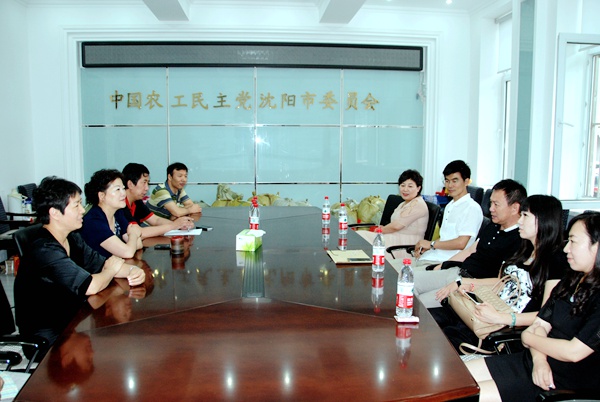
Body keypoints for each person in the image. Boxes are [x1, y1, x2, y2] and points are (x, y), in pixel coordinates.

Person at [466, 211, 600, 400]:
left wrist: (528, 338)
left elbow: (573, 352)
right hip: (534, 362)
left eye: (573, 241)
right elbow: (539, 324)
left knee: (467, 395)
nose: (566, 249)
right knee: (456, 379)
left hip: (559, 381)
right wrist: (539, 360)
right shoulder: (571, 280)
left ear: (597, 247)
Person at [14, 176, 145, 354]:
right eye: (76, 205)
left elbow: (102, 263)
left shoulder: (72, 238)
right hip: (48, 334)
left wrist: (133, 270)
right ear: (55, 213)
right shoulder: (44, 249)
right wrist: (111, 270)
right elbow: (90, 286)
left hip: (72, 318)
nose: (82, 210)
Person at [431, 195, 568, 353]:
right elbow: (502, 282)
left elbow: (547, 315)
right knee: (427, 321)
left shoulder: (556, 260)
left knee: (435, 342)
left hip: (501, 328)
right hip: (487, 313)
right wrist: (466, 284)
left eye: (525, 216)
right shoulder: (525, 250)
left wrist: (500, 318)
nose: (520, 221)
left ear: (543, 220)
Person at [414, 179, 527, 307]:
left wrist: (461, 283)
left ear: (514, 208)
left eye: (496, 204)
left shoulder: (520, 241)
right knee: (408, 283)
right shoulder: (493, 226)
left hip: (471, 287)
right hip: (457, 272)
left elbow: (502, 281)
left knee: (418, 304)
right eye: (490, 203)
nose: (491, 209)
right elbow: (470, 250)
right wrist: (443, 265)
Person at [413, 160, 483, 268]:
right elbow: (446, 237)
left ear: (466, 181)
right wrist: (429, 247)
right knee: (391, 267)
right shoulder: (450, 205)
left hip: (447, 264)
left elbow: (461, 243)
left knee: (400, 274)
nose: (450, 185)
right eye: (447, 181)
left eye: (455, 181)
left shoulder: (471, 208)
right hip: (433, 256)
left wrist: (432, 244)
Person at [357, 169, 428, 249]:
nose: (405, 189)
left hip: (404, 246)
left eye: (410, 186)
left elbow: (396, 226)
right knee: (358, 236)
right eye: (402, 185)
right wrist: (383, 229)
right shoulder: (404, 203)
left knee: (359, 237)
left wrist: (381, 230)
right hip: (393, 239)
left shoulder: (418, 204)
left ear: (418, 188)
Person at [81, 169, 143, 258]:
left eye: (123, 188)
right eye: (117, 189)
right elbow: (128, 252)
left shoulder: (117, 213)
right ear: (102, 196)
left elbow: (138, 244)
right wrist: (133, 234)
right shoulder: (93, 221)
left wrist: (132, 240)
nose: (123, 194)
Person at [122, 163, 195, 237]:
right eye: (144, 182)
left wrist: (181, 225)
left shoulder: (137, 201)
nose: (147, 188)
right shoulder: (121, 205)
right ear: (130, 184)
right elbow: (139, 233)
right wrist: (173, 226)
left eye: (148, 183)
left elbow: (156, 220)